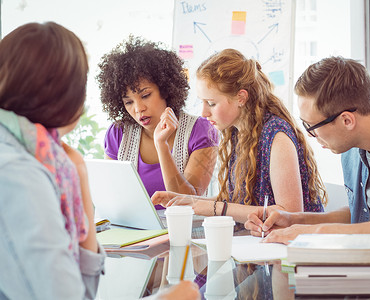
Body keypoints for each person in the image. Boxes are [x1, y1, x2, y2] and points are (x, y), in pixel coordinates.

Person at [0, 22, 200, 300]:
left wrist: (80, 174)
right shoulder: (19, 174)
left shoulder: (38, 155)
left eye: (144, 96)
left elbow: (82, 290)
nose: (138, 108)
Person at [245, 56, 370, 243]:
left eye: (312, 126)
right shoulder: (352, 143)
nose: (309, 135)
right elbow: (362, 214)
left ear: (346, 120)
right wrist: (296, 220)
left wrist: (310, 233)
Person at [152, 49, 327, 224]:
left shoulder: (277, 135)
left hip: (296, 246)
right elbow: (238, 203)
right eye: (202, 102)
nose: (204, 113)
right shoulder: (236, 132)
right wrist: (190, 202)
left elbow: (291, 213)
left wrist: (214, 208)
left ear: (241, 98)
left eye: (211, 103)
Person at [97, 36, 218, 205]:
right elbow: (113, 197)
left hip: (183, 228)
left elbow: (188, 202)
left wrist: (161, 145)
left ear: (166, 90)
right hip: (136, 230)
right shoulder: (118, 134)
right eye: (128, 102)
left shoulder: (201, 131)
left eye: (145, 95)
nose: (138, 108)